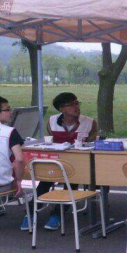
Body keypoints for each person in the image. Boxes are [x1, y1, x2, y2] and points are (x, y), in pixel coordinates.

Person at [24, 93, 97, 231]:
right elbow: (50, 140)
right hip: (56, 162)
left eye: (77, 103)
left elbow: (91, 144)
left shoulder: (89, 122)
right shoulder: (52, 121)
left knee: (73, 182)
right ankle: (31, 213)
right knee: (45, 181)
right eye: (72, 105)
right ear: (62, 109)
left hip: (78, 163)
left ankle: (57, 214)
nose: (77, 107)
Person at [0, 96, 26, 218]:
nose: (11, 112)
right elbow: (20, 159)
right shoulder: (9, 132)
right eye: (7, 109)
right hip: (2, 184)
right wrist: (19, 180)